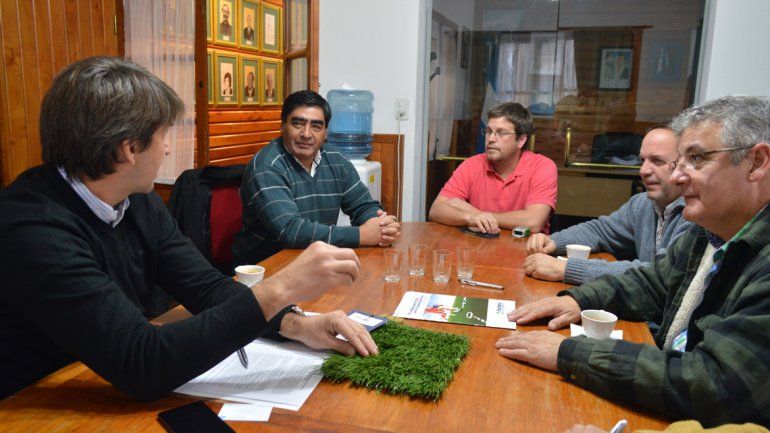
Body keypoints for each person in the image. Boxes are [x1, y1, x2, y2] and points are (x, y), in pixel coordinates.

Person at [0, 57, 378, 401]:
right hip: (33, 405)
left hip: (94, 382)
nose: (167, 149)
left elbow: (206, 287)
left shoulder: (136, 199)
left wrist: (297, 324)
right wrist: (280, 288)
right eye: (163, 135)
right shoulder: (34, 230)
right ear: (129, 149)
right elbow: (142, 362)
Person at [496, 95, 770, 426]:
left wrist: (570, 353)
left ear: (756, 163)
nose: (678, 176)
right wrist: (577, 300)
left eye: (696, 158)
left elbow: (716, 384)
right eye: (680, 161)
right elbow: (652, 283)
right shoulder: (710, 231)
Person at [232, 90, 400, 265]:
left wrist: (380, 226)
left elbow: (363, 205)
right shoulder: (266, 166)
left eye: (316, 126)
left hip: (317, 262)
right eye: (298, 124)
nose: (306, 134)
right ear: (282, 126)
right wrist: (361, 235)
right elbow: (291, 231)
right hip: (266, 268)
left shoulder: (336, 159)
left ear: (325, 132)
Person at [524, 127, 692, 285]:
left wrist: (567, 269)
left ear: (683, 165)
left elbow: (660, 273)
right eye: (642, 160)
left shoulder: (695, 214)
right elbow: (601, 231)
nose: (643, 170)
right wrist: (553, 242)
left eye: (657, 160)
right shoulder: (642, 203)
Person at [428, 102, 557, 234]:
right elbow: (436, 210)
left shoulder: (542, 167)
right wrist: (471, 217)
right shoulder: (472, 164)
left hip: (525, 246)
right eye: (489, 131)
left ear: (521, 140)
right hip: (478, 244)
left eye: (501, 133)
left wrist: (476, 213)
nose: (491, 139)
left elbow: (533, 222)